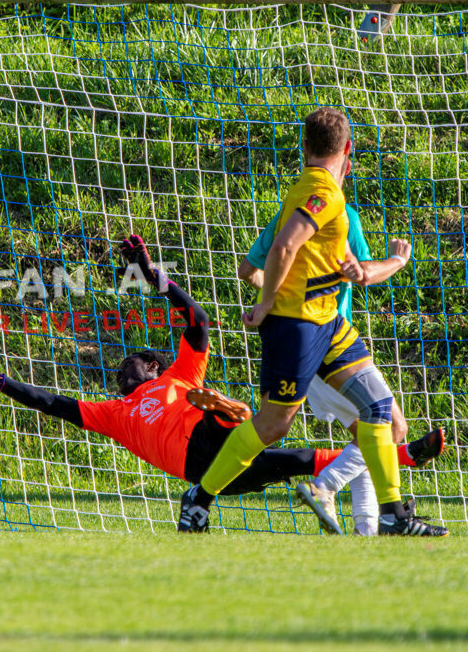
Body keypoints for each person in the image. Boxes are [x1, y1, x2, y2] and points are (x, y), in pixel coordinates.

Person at [180, 107, 447, 536]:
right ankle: (200, 497)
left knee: (377, 407)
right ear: (348, 150)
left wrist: (356, 271)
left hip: (329, 324)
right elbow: (285, 246)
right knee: (272, 426)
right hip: (296, 326)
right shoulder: (323, 192)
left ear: (304, 148)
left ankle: (395, 516)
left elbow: (286, 256)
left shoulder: (318, 192)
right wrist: (267, 305)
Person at [0, 235, 352, 503]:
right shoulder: (114, 414)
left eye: (127, 364)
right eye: (118, 373)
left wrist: (154, 275)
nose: (119, 374)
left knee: (314, 459)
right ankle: (230, 416)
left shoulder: (180, 375)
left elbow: (199, 319)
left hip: (213, 451)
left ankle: (409, 453)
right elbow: (48, 402)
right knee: (272, 450)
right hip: (202, 464)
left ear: (153, 365)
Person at [240, 199, 444, 535]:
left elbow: (248, 271)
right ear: (344, 163)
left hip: (297, 346)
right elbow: (365, 274)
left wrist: (278, 299)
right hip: (332, 346)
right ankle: (326, 486)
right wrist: (398, 259)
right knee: (392, 427)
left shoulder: (288, 215)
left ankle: (368, 530)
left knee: (366, 434)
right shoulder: (342, 214)